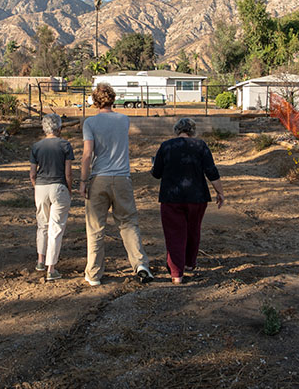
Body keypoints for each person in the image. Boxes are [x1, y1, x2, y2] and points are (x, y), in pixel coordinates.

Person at [79, 83, 153, 286]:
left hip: (98, 178)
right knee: (128, 222)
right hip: (122, 178)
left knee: (95, 228)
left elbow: (87, 155)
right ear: (113, 99)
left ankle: (93, 274)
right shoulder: (124, 119)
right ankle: (140, 265)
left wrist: (83, 181)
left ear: (95, 101)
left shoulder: (90, 123)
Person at [150, 117, 224, 284]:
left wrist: (153, 166)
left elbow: (157, 173)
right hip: (197, 197)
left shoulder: (166, 146)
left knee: (175, 234)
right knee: (193, 230)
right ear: (193, 131)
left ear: (177, 130)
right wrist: (220, 192)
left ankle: (177, 274)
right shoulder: (201, 145)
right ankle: (190, 264)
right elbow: (211, 171)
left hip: (171, 197)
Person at [30, 113, 74, 282]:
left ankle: (40, 260)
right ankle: (51, 268)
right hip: (59, 186)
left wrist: (37, 187)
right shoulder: (65, 145)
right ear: (59, 128)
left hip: (41, 187)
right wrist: (69, 190)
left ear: (44, 128)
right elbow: (68, 173)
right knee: (56, 228)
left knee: (42, 225)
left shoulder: (36, 146)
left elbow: (32, 173)